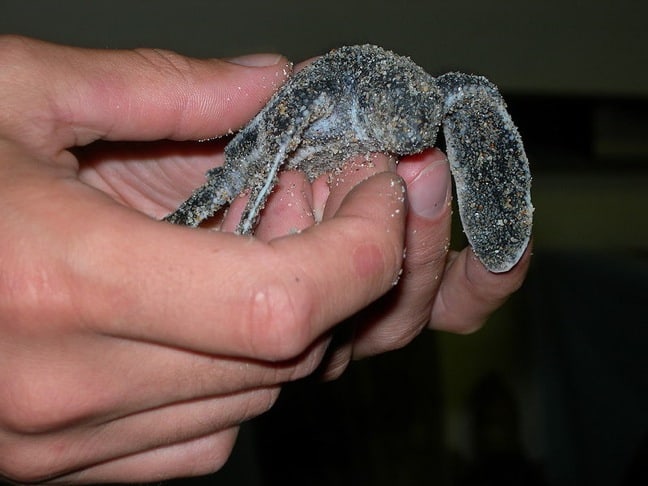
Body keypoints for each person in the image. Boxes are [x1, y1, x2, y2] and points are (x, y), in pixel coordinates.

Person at [0, 35, 531, 483]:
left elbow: (462, 96)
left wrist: (497, 228)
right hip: (270, 143)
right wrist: (240, 225)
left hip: (332, 165)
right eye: (403, 131)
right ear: (374, 106)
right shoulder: (331, 87)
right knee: (218, 195)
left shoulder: (423, 101)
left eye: (420, 132)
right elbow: (266, 140)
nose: (414, 144)